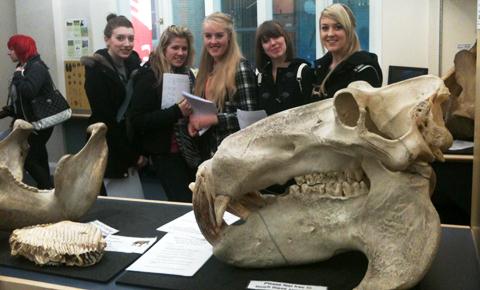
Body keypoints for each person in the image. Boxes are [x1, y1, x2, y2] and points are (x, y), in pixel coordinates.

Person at [128, 25, 195, 202]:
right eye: (175, 47)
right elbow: (138, 120)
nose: (180, 53)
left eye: (184, 48)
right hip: (165, 154)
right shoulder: (149, 76)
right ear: (164, 48)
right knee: (183, 205)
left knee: (195, 202)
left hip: (188, 152)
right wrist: (176, 112)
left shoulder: (187, 75)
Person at [81, 14, 142, 194]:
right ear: (107, 40)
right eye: (120, 38)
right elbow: (105, 119)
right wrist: (132, 155)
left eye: (131, 38)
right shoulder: (96, 71)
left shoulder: (134, 64)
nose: (127, 43)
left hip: (130, 143)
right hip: (109, 146)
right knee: (118, 206)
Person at [188, 12, 258, 160]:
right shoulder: (206, 69)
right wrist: (195, 123)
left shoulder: (241, 68)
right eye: (208, 36)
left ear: (229, 37)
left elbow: (251, 119)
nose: (213, 41)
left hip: (235, 155)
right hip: (210, 152)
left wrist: (215, 119)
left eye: (219, 35)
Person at [0, 34, 54, 189]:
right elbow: (23, 102)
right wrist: (8, 111)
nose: (9, 53)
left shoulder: (36, 67)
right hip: (30, 121)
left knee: (28, 158)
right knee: (39, 156)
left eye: (11, 49)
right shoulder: (27, 67)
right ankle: (47, 190)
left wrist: (18, 76)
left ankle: (48, 189)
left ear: (20, 49)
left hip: (38, 122)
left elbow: (29, 91)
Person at [314, 3, 382, 100]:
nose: (330, 34)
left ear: (350, 30)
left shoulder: (364, 71)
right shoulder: (318, 69)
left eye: (338, 27)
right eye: (325, 28)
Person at [255, 20, 316, 116]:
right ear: (261, 48)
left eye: (276, 36)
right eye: (266, 41)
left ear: (285, 38)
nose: (273, 43)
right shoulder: (260, 79)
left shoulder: (303, 72)